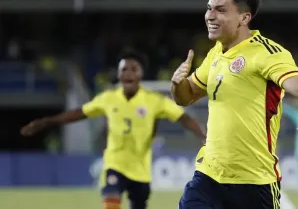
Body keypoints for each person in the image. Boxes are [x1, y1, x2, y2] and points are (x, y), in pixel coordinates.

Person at [171, 0, 298, 209]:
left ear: (244, 18)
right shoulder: (215, 54)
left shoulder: (267, 53)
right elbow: (186, 97)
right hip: (209, 176)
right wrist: (177, 83)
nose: (210, 16)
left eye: (221, 10)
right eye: (209, 8)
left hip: (255, 183)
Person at [21, 50, 206, 209]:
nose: (128, 73)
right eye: (124, 69)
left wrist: (203, 136)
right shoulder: (108, 98)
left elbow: (184, 118)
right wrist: (45, 122)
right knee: (111, 200)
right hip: (114, 164)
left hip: (140, 169)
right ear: (118, 74)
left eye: (133, 69)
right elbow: (79, 113)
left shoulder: (154, 101)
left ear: (140, 74)